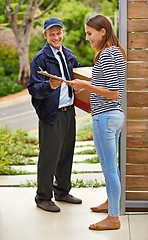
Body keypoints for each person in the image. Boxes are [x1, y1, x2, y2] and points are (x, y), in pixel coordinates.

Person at [67, 15, 126, 230]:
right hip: (113, 116)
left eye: (89, 33)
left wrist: (86, 85)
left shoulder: (107, 54)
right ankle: (112, 203)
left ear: (103, 32)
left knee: (109, 169)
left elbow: (112, 93)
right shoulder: (116, 52)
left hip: (106, 117)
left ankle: (113, 218)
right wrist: (86, 86)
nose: (87, 38)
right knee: (112, 168)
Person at [27, 17, 82, 213]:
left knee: (66, 154)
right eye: (52, 34)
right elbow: (33, 88)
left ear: (63, 33)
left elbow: (78, 76)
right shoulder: (40, 59)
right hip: (51, 114)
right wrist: (48, 86)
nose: (56, 37)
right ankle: (43, 197)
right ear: (45, 35)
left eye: (59, 33)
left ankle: (62, 191)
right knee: (49, 156)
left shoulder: (68, 55)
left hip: (69, 112)